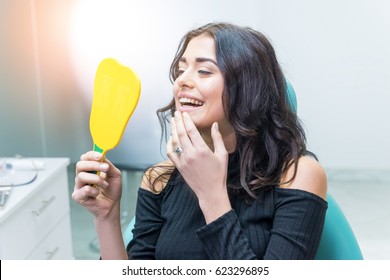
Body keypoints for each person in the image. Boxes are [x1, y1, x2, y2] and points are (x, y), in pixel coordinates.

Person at [72, 22, 327, 260]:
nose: (182, 80)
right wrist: (106, 217)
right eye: (181, 70)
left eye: (204, 71)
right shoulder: (158, 179)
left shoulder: (296, 174)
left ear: (249, 88)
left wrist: (211, 195)